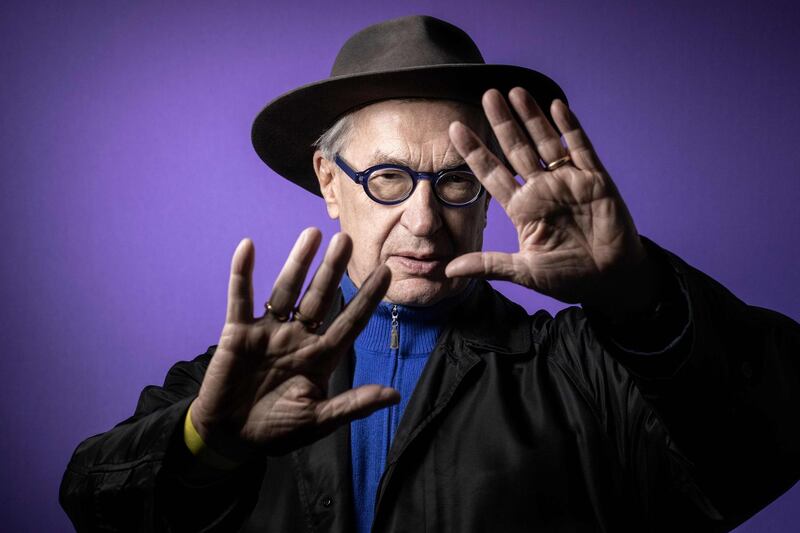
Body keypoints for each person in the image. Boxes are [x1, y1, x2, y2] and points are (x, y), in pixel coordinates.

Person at [60, 14, 800, 533]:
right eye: (387, 178)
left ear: (493, 186)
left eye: (456, 181)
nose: (423, 221)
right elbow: (94, 502)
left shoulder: (582, 374)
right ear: (329, 177)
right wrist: (207, 444)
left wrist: (636, 292)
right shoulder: (233, 381)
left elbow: (761, 449)